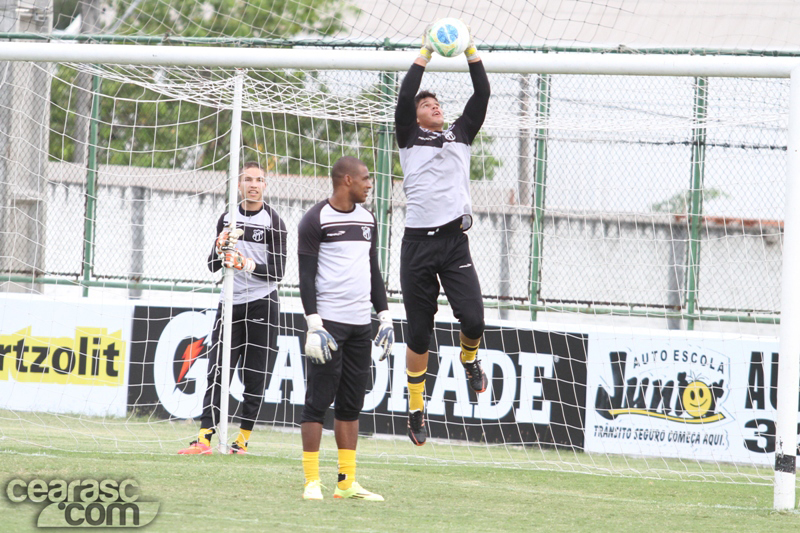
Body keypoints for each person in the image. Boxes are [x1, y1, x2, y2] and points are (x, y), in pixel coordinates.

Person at [395, 25, 491, 446]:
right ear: (417, 116)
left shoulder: (460, 133)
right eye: (427, 104)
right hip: (417, 244)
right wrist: (424, 53)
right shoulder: (409, 136)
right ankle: (417, 407)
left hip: (453, 243)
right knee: (418, 333)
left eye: (437, 103)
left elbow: (482, 93)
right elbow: (404, 97)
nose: (434, 106)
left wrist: (469, 49)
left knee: (474, 319)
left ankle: (469, 360)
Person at [297, 156, 394, 501]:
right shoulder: (315, 220)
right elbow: (305, 277)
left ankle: (345, 482)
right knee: (317, 404)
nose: (371, 184)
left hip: (360, 326)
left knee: (351, 405)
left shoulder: (368, 219)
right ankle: (311, 481)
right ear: (347, 180)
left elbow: (373, 271)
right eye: (367, 179)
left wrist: (384, 316)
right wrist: (313, 324)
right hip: (328, 326)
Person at [178, 161, 287, 455]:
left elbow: (279, 271)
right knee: (218, 370)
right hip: (229, 304)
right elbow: (214, 265)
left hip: (263, 303)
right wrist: (218, 246)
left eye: (259, 180)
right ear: (239, 185)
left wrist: (246, 264)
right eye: (248, 179)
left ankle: (242, 441)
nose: (254, 184)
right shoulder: (227, 217)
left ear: (265, 185)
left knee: (254, 375)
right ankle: (203, 439)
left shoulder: (274, 222)